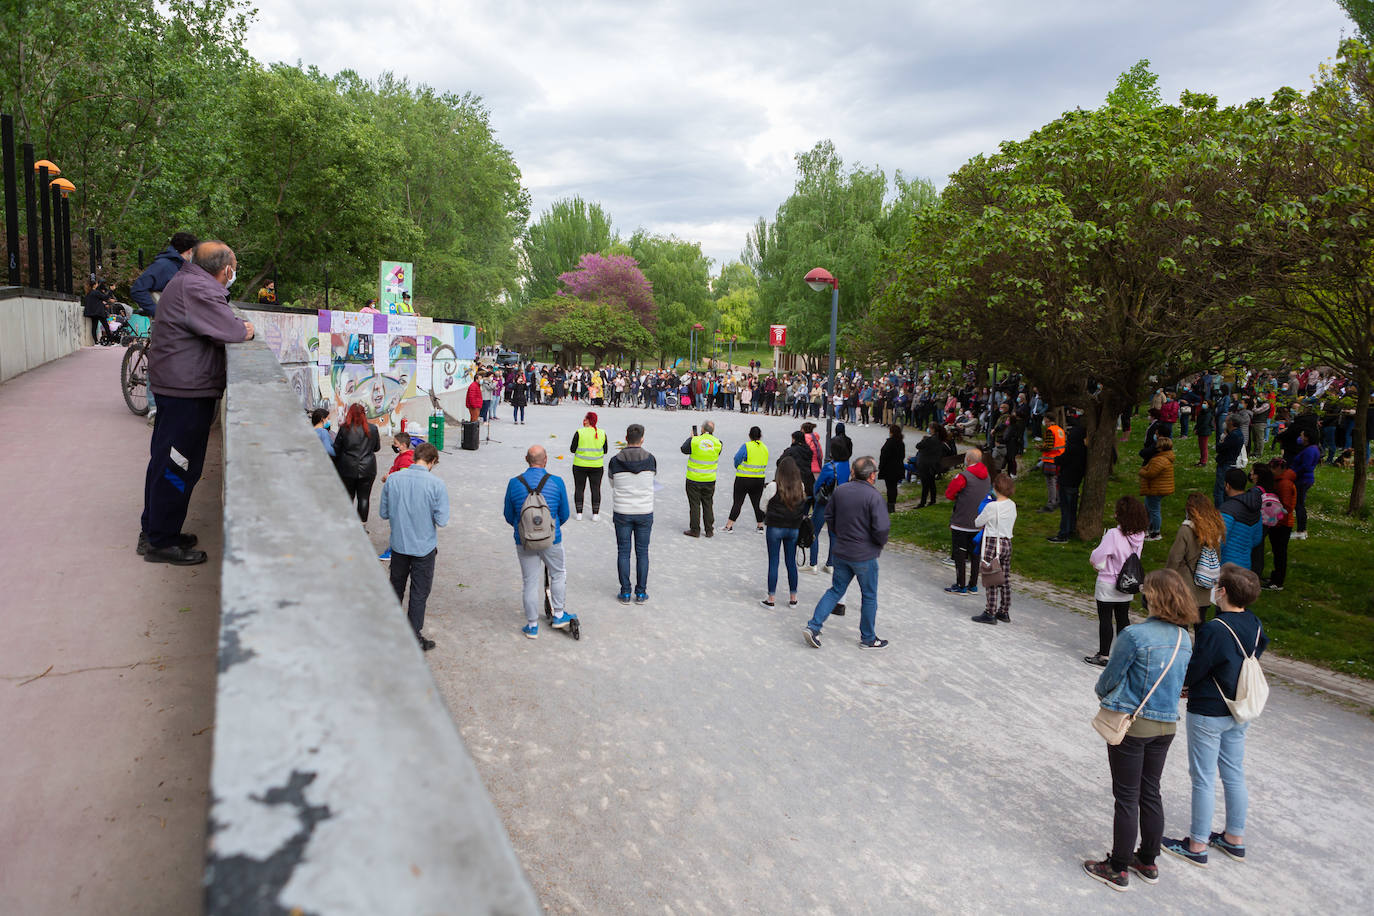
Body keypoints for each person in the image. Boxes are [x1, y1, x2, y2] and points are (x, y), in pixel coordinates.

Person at [138, 241, 253, 565]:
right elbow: (231, 329)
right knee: (177, 466)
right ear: (225, 269)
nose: (234, 273)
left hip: (177, 387)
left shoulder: (188, 282)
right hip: (185, 390)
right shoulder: (198, 290)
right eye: (234, 267)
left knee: (166, 461)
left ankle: (158, 530)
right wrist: (245, 329)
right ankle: (161, 541)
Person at [1082, 569, 1195, 892]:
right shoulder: (1183, 638)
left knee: (1126, 796)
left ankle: (1117, 867)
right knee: (1150, 792)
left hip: (1134, 724)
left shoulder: (1135, 635)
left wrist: (1106, 697)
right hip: (1166, 725)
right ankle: (1147, 859)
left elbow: (1109, 678)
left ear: (1152, 597)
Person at [1163, 564, 1267, 868]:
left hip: (1209, 708)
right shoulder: (1255, 623)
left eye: (1216, 584)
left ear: (1221, 592)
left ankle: (1197, 844)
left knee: (1203, 777)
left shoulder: (1214, 628)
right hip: (1239, 706)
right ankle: (1235, 837)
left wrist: (1185, 685)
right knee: (1233, 771)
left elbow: (1197, 667)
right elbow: (1255, 652)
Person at [803, 456, 890, 649]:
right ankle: (868, 638)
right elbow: (882, 528)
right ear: (872, 476)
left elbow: (829, 516)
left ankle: (814, 626)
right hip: (864, 554)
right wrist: (877, 544)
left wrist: (839, 533)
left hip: (841, 550)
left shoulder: (840, 491)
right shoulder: (874, 496)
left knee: (835, 590)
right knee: (868, 595)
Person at [378, 442, 448, 651]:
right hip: (424, 547)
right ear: (432, 461)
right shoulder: (436, 484)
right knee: (419, 592)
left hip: (399, 544)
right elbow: (442, 519)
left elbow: (383, 513)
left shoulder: (393, 480)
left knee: (396, 587)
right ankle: (413, 635)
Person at [503, 445, 574, 638]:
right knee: (558, 573)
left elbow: (509, 515)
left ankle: (532, 625)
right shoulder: (557, 482)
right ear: (546, 460)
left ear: (526, 459)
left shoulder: (514, 483)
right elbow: (565, 514)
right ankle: (559, 614)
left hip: (525, 541)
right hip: (552, 540)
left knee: (530, 581)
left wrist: (526, 530)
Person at [130, 231, 198, 423]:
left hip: (177, 321)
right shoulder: (164, 265)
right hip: (163, 320)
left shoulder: (182, 266)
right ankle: (154, 408)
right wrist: (157, 311)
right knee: (158, 360)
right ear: (190, 251)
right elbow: (137, 288)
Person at [1084, 496, 1149, 666]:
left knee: (1105, 619)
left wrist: (1094, 559)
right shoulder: (1140, 536)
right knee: (1123, 618)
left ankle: (1104, 654)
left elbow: (1098, 556)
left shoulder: (1114, 534)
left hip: (1108, 581)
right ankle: (1122, 655)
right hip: (1127, 582)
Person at [607, 423, 656, 604]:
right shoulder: (650, 459)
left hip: (622, 510)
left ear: (626, 438)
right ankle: (641, 592)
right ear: (642, 439)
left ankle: (626, 592)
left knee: (623, 552)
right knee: (642, 552)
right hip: (644, 511)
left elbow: (612, 483)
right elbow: (652, 479)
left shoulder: (615, 460)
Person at [1166, 493, 1226, 625]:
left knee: (1182, 624)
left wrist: (1166, 578)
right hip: (1204, 585)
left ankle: (1184, 646)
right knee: (1201, 623)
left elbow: (1175, 558)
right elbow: (1218, 556)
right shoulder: (1214, 530)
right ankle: (1200, 646)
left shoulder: (1186, 530)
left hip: (1185, 585)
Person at [970, 473, 1018, 625]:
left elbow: (978, 522)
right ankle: (1004, 611)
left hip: (993, 542)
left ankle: (990, 612)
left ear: (995, 488)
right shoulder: (1012, 504)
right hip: (1007, 542)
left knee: (991, 576)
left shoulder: (992, 506)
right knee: (1004, 577)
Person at [760, 456, 807, 608]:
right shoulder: (800, 486)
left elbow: (762, 506)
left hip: (775, 527)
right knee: (791, 562)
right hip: (793, 528)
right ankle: (793, 597)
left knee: (774, 562)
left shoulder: (773, 486)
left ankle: (771, 598)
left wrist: (772, 512)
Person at [943, 448, 991, 596]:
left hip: (962, 521)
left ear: (968, 460)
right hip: (978, 521)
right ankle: (973, 585)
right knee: (975, 554)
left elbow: (949, 494)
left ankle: (960, 584)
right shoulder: (987, 476)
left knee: (960, 554)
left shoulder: (964, 476)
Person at [333, 403, 381, 523]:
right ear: (364, 414)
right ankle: (362, 526)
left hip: (347, 468)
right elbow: (377, 448)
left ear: (349, 414)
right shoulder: (373, 429)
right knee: (364, 498)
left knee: (348, 497)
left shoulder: (344, 429)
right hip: (368, 468)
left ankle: (348, 524)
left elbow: (337, 448)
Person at [1048, 415, 1088, 542]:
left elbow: (1062, 460)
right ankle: (1070, 529)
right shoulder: (1084, 449)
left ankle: (1063, 534)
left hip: (1066, 480)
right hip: (1076, 481)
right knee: (1072, 508)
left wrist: (1055, 459)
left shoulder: (1071, 448)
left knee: (1065, 509)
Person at [680, 420, 723, 537]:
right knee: (708, 504)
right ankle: (709, 530)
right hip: (709, 479)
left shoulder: (695, 441)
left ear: (702, 429)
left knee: (694, 505)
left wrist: (691, 438)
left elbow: (683, 449)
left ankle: (695, 529)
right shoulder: (718, 443)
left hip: (693, 478)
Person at [724, 426, 769, 532]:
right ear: (760, 436)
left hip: (743, 478)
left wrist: (738, 466)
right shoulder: (764, 447)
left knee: (738, 502)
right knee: (757, 503)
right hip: (759, 479)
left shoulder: (747, 446)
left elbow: (737, 458)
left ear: (749, 435)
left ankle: (729, 525)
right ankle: (760, 525)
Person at [1217, 468, 1263, 572]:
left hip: (1226, 565)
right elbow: (1257, 538)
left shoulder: (1227, 509)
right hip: (1246, 564)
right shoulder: (1255, 507)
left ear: (1227, 485)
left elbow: (1218, 540)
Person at [1263, 458, 1296, 590]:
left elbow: (1286, 507)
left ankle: (1278, 581)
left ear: (1278, 468)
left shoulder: (1284, 484)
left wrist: (1275, 518)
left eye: (1271, 468)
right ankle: (1275, 576)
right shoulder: (1279, 481)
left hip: (1282, 524)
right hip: (1277, 523)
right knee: (1277, 552)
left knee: (1280, 552)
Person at [570, 411, 609, 521]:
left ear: (587, 420)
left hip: (579, 465)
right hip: (597, 466)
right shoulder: (602, 433)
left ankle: (579, 513)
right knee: (596, 489)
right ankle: (595, 514)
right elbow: (605, 450)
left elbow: (572, 449)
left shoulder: (579, 432)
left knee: (579, 488)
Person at [1138, 436, 1176, 541]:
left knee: (1154, 510)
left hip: (1156, 489)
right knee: (1148, 508)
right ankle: (1149, 528)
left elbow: (1150, 473)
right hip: (1157, 488)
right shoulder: (1165, 458)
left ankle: (1156, 532)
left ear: (1161, 448)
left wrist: (1141, 471)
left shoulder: (1159, 460)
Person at [1288, 430, 1319, 540]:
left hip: (1302, 480)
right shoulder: (1312, 449)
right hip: (1304, 479)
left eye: (1301, 435)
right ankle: (1302, 530)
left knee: (1299, 505)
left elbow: (1305, 466)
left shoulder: (1310, 451)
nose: (1300, 437)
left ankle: (1301, 530)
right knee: (1299, 504)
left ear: (1306, 437)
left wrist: (1292, 473)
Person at [913, 423, 947, 508]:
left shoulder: (929, 439)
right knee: (931, 483)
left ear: (932, 429)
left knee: (925, 485)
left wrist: (923, 440)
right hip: (933, 465)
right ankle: (932, 500)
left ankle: (922, 502)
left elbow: (918, 446)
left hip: (925, 464)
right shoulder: (940, 440)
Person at [1214, 417, 1245, 507]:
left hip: (1225, 463)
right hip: (1231, 462)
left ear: (1231, 422)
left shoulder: (1233, 435)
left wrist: (1221, 441)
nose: (1225, 422)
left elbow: (1220, 448)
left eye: (1227, 421)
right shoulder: (1238, 433)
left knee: (1219, 489)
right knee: (1226, 489)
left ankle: (1220, 510)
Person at [1040, 415, 1066, 511]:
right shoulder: (1060, 430)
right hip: (1059, 458)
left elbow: (1049, 446)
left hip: (1050, 459)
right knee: (1056, 481)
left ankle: (1051, 503)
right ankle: (1058, 500)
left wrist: (1040, 448)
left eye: (1045, 420)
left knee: (1051, 482)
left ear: (1047, 420)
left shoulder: (1050, 430)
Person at [878, 424, 906, 513]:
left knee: (890, 487)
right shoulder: (901, 443)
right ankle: (892, 504)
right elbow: (902, 456)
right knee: (893, 487)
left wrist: (881, 467)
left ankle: (890, 506)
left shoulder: (890, 442)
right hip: (898, 468)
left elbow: (884, 456)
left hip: (889, 469)